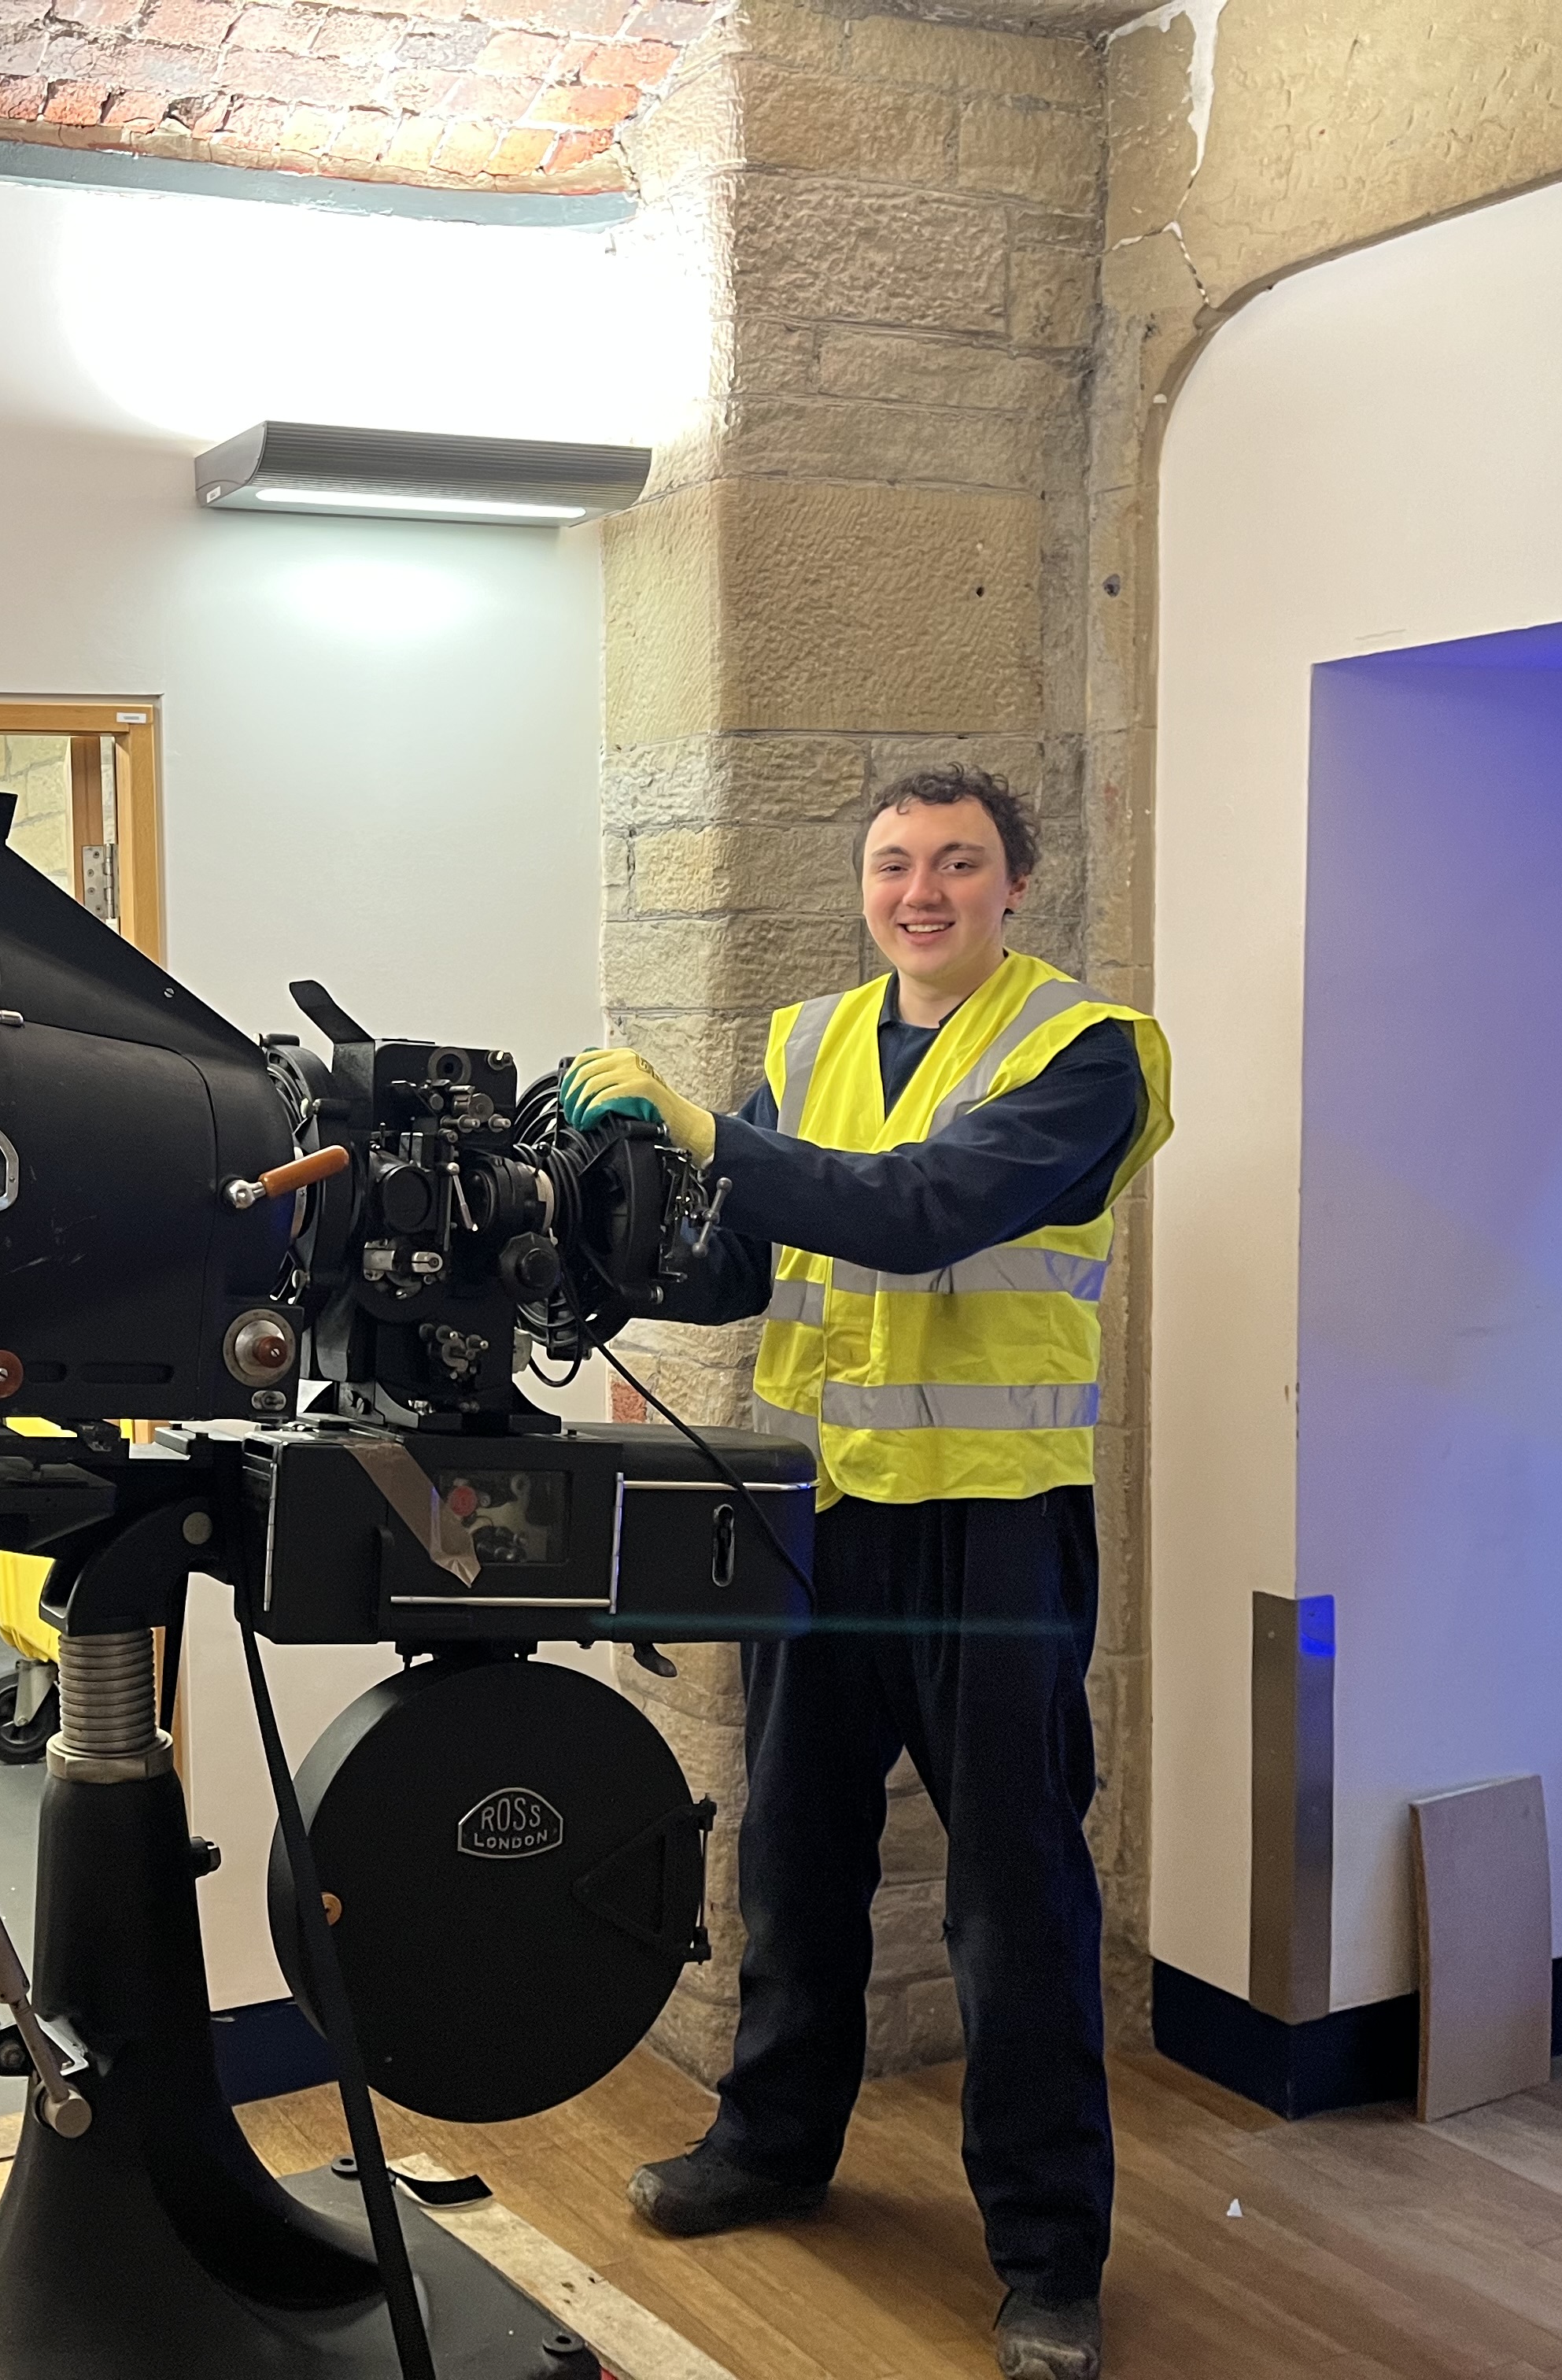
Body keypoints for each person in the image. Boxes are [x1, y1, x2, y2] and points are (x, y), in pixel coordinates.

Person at [563, 765, 1171, 2380]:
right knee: (793, 1859)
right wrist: (594, 1232)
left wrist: (696, 1126)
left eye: (957, 864)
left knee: (1014, 1906)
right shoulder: (811, 1042)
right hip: (824, 1509)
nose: (921, 890)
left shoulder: (1084, 1055)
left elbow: (917, 1215)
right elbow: (751, 1260)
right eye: (895, 864)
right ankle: (772, 2145)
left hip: (992, 1525)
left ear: (1014, 887)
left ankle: (1050, 2260)